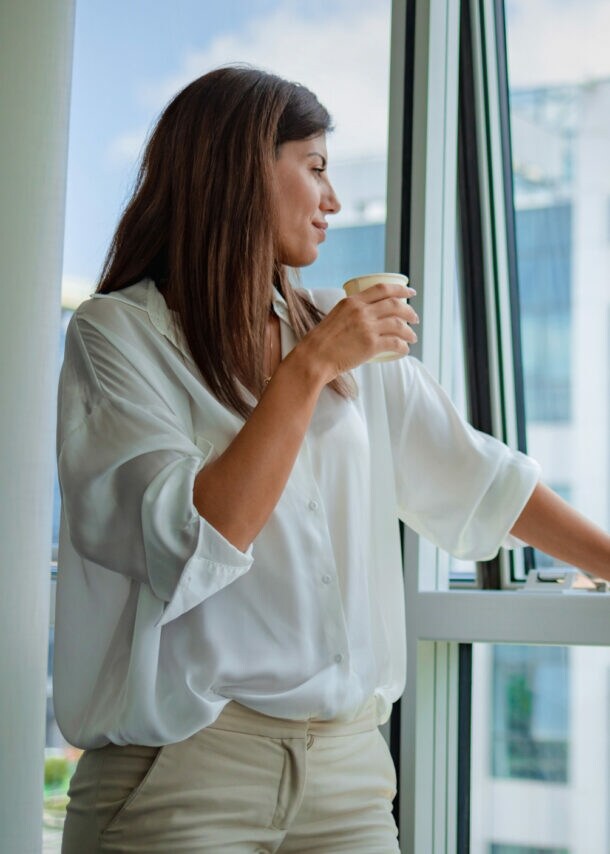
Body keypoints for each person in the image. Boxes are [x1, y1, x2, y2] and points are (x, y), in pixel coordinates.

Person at [55, 65, 610, 853]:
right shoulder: (119, 336)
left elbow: (480, 478)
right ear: (241, 168)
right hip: (185, 776)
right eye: (314, 167)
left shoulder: (335, 336)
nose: (334, 201)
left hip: (348, 774)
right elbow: (195, 537)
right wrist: (309, 368)